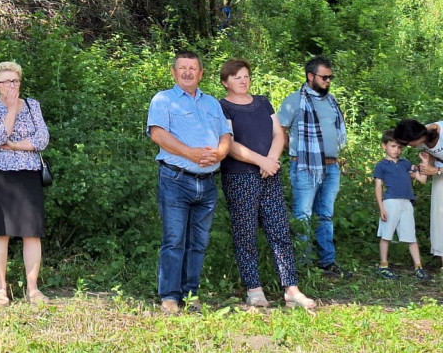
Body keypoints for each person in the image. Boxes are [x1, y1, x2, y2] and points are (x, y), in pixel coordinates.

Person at [218, 59, 315, 309]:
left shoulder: (262, 102)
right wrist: (262, 161)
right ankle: (254, 290)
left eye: (246, 75)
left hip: (269, 175)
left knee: (279, 232)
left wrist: (271, 161)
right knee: (246, 233)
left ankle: (291, 289)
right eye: (237, 76)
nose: (243, 80)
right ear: (225, 82)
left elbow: (278, 134)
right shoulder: (222, 107)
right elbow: (229, 145)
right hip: (239, 177)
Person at [146, 51, 232, 314]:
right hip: (176, 179)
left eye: (192, 68)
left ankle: (191, 293)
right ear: (173, 72)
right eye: (182, 67)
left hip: (207, 183)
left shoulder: (212, 103)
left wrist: (220, 153)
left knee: (199, 242)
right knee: (174, 240)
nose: (187, 72)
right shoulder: (163, 99)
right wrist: (190, 153)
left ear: (201, 73)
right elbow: (157, 134)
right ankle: (170, 297)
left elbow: (226, 134)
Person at [0, 61, 51, 306]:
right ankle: (0, 289)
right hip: (0, 174)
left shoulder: (33, 105)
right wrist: (10, 110)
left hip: (29, 173)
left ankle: (33, 289)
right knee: (1, 233)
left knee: (32, 233)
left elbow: (42, 140)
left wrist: (14, 145)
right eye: (6, 81)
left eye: (15, 81)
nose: (12, 85)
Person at [277, 55, 348, 276]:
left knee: (325, 214)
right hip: (305, 167)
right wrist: (294, 150)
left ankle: (327, 262)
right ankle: (303, 264)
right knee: (303, 215)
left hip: (331, 166)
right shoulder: (294, 100)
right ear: (310, 76)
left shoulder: (331, 100)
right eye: (324, 77)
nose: (328, 81)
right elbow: (279, 128)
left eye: (330, 77)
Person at [373, 129, 428, 280]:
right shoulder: (381, 165)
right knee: (386, 235)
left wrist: (423, 162)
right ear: (384, 146)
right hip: (390, 202)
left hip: (406, 203)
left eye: (399, 147)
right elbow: (378, 187)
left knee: (411, 236)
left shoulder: (405, 164)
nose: (396, 150)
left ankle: (418, 268)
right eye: (393, 146)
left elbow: (422, 180)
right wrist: (381, 208)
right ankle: (383, 266)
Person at [394, 118, 443, 271]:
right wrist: (426, 166)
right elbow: (434, 157)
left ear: (416, 137)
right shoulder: (423, 139)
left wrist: (436, 171)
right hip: (440, 175)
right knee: (439, 217)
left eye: (407, 143)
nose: (408, 146)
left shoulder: (439, 132)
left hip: (440, 172)